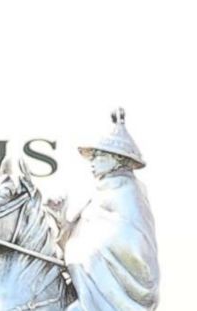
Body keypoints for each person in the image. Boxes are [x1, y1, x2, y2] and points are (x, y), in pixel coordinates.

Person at [64, 109, 160, 310]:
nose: (93, 161)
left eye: (98, 155)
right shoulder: (100, 192)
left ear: (117, 159)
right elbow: (82, 230)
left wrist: (81, 249)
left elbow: (131, 243)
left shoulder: (129, 193)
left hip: (118, 289)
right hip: (88, 280)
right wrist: (63, 224)